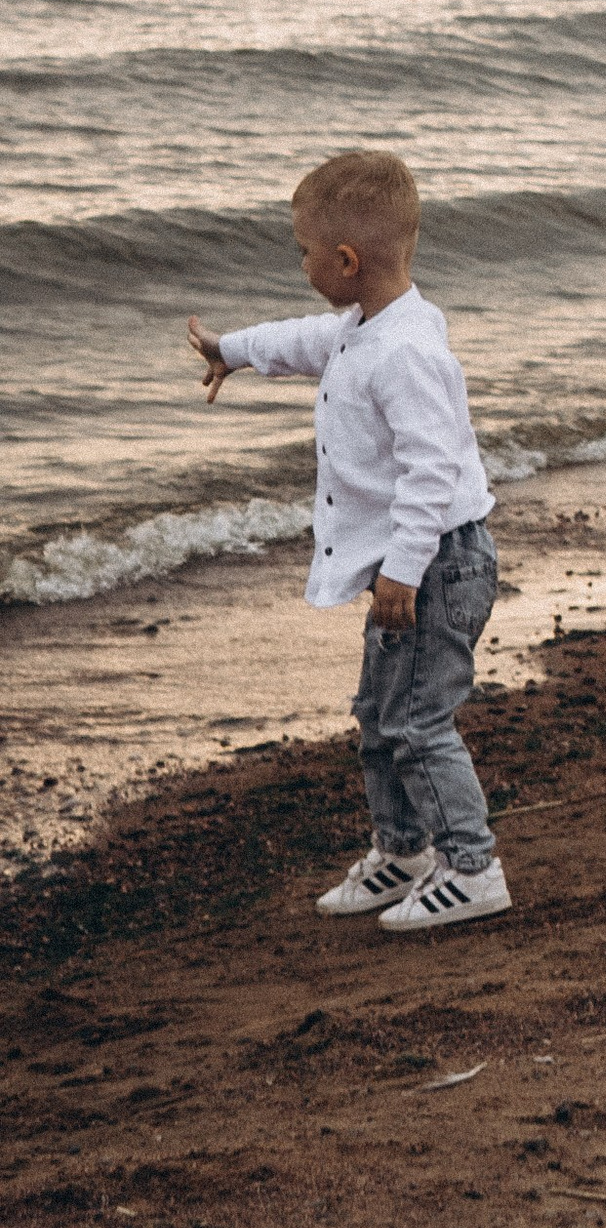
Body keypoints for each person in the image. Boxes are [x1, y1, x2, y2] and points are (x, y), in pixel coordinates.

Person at [187, 148, 509, 933]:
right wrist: (231, 348)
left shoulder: (406, 353)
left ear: (345, 260)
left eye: (303, 252)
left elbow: (432, 473)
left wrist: (403, 570)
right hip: (413, 569)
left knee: (420, 724)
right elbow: (303, 339)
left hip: (439, 564)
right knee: (378, 715)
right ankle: (401, 851)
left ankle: (473, 867)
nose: (300, 264)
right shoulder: (364, 326)